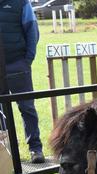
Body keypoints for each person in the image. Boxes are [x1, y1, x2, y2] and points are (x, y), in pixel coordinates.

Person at [0, 0, 43, 163]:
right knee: (0, 112)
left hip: (18, 64)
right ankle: (6, 153)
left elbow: (32, 30)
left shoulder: (21, 3)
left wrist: (27, 60)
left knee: (27, 108)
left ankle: (35, 149)